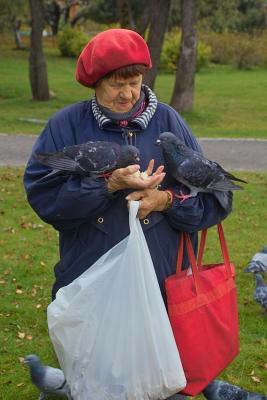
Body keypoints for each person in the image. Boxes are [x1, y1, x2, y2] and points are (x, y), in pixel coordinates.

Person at [24, 28, 231, 400]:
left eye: (134, 83)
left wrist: (166, 200)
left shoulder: (170, 123)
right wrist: (107, 187)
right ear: (95, 83)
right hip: (91, 282)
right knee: (98, 382)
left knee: (158, 385)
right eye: (115, 85)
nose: (127, 94)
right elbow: (46, 200)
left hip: (163, 284)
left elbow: (219, 202)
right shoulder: (65, 126)